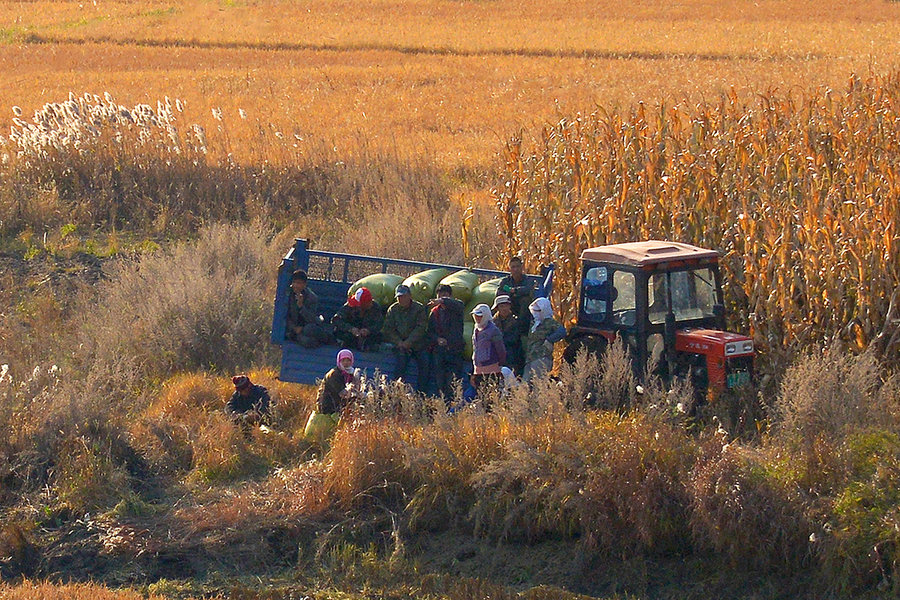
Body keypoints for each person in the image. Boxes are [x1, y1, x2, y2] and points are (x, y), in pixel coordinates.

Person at [304, 349, 362, 446]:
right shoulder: (334, 374)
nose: (346, 363)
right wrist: (354, 391)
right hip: (328, 405)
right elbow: (343, 393)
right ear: (339, 361)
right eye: (343, 361)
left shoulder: (350, 373)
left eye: (348, 360)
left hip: (338, 403)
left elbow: (354, 390)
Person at [382, 284, 429, 391]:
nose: (401, 299)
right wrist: (398, 342)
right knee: (400, 365)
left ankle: (422, 394)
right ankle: (397, 392)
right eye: (399, 297)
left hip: (418, 345)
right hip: (400, 345)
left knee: (425, 364)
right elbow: (388, 329)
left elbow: (421, 328)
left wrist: (409, 342)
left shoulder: (419, 308)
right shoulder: (393, 309)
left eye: (403, 296)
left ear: (410, 296)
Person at [426, 284, 465, 402]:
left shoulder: (457, 308)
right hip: (440, 352)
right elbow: (429, 332)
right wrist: (437, 339)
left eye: (445, 295)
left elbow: (457, 305)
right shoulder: (435, 313)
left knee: (452, 383)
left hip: (455, 351)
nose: (441, 298)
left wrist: (443, 300)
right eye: (440, 295)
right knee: (440, 383)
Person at [523, 297, 567, 383]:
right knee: (525, 385)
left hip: (541, 357)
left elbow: (562, 331)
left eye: (539, 311)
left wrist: (549, 340)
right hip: (530, 358)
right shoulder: (534, 323)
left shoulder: (550, 322)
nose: (536, 313)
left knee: (538, 386)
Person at [286, 269, 332, 348]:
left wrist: (301, 307)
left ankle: (328, 338)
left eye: (299, 283)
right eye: (294, 282)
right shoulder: (288, 295)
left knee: (309, 329)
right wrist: (294, 328)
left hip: (308, 326)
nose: (296, 285)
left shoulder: (311, 297)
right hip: (295, 330)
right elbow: (285, 316)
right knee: (308, 342)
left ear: (304, 285)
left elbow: (311, 318)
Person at [470, 303, 507, 398]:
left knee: (492, 398)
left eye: (480, 315)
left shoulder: (493, 330)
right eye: (476, 315)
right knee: (481, 398)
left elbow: (501, 350)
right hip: (478, 371)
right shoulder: (476, 330)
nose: (477, 318)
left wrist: (499, 365)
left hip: (492, 370)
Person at [332, 287, 385, 351]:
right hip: (351, 333)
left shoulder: (375, 308)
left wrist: (368, 330)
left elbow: (379, 323)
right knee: (341, 333)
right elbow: (336, 319)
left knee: (379, 336)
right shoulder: (350, 305)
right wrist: (350, 329)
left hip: (366, 335)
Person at [492, 294, 525, 376]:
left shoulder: (515, 321)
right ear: (497, 308)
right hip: (496, 357)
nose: (504, 309)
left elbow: (514, 339)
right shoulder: (492, 323)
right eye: (502, 306)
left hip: (512, 356)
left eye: (506, 306)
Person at [495, 257, 535, 321]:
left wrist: (515, 290)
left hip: (522, 307)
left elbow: (528, 289)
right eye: (513, 267)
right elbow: (500, 292)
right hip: (509, 304)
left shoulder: (528, 280)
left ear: (522, 267)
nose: (516, 269)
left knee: (525, 300)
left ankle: (521, 327)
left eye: (518, 266)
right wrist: (510, 294)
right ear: (509, 269)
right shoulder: (505, 281)